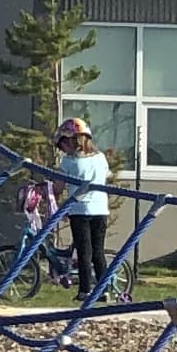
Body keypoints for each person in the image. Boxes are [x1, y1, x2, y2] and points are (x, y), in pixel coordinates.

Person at [50, 115, 116, 299]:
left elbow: (58, 187)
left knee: (84, 252)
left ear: (71, 140)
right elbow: (105, 176)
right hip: (101, 209)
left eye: (63, 144)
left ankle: (85, 290)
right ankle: (104, 290)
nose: (62, 149)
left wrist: (50, 191)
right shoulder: (101, 158)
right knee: (98, 252)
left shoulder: (69, 162)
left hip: (79, 210)